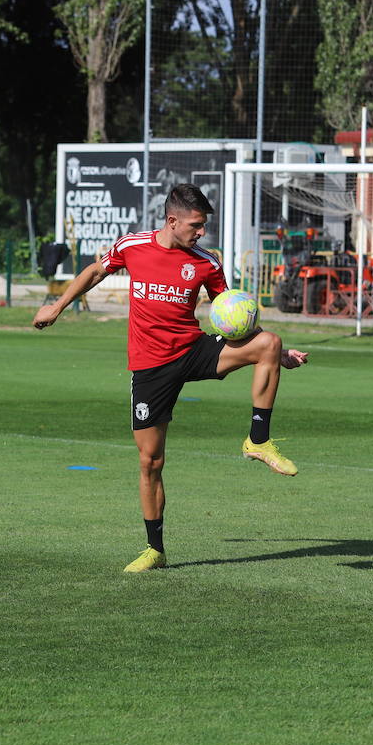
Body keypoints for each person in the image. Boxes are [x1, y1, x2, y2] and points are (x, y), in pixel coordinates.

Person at [33, 183, 308, 573]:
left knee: (268, 342)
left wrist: (277, 355)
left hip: (193, 351)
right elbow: (96, 270)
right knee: (151, 461)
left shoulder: (206, 263)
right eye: (196, 225)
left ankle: (258, 440)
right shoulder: (133, 246)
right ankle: (155, 549)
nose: (201, 232)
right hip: (150, 366)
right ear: (172, 220)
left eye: (203, 226)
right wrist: (57, 307)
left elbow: (233, 320)